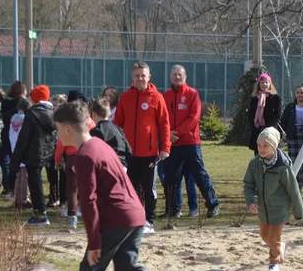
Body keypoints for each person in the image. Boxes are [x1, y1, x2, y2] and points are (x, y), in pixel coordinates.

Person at [55, 100, 195, 271]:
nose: (57, 134)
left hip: (116, 218)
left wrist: (95, 242)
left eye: (57, 128)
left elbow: (88, 202)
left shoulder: (84, 156)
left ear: (67, 129)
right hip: (135, 215)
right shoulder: (100, 144)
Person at [114, 62, 170, 233]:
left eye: (143, 75)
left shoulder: (156, 97)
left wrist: (165, 147)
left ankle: (149, 221)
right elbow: (117, 124)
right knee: (130, 187)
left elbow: (164, 124)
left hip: (150, 152)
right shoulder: (125, 97)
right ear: (132, 76)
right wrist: (116, 147)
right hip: (129, 153)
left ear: (149, 77)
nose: (140, 78)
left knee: (148, 188)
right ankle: (133, 219)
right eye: (137, 75)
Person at [244, 127, 303, 271]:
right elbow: (248, 185)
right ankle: (281, 246)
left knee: (273, 237)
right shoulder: (255, 164)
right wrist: (251, 201)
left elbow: (293, 190)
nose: (261, 149)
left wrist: (299, 212)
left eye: (265, 145)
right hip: (263, 208)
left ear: (274, 146)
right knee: (265, 236)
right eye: (259, 145)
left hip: (279, 209)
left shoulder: (283, 168)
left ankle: (274, 262)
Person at [162, 64, 220, 219]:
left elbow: (194, 118)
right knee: (170, 178)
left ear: (185, 76)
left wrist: (177, 132)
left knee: (200, 175)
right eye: (174, 74)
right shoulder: (165, 96)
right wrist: (168, 135)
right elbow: (161, 118)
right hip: (172, 144)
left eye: (180, 74)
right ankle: (172, 209)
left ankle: (212, 204)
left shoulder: (192, 94)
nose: (177, 77)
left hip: (190, 143)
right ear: (170, 77)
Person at [11, 85, 57, 226]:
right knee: (50, 180)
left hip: (33, 153)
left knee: (35, 183)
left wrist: (16, 159)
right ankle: (52, 202)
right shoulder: (52, 113)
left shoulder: (32, 113)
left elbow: (24, 136)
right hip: (49, 152)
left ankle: (40, 214)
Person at [54, 91, 94, 231]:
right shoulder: (90, 121)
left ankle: (72, 217)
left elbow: (60, 143)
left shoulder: (67, 123)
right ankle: (90, 215)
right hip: (86, 155)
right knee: (88, 187)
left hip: (71, 157)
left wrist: (57, 158)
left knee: (72, 189)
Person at [279, 84, 303, 196]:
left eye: (302, 92)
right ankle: (298, 192)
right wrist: (288, 131)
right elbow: (283, 121)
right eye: (298, 92)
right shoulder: (290, 107)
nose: (299, 95)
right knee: (294, 163)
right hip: (293, 139)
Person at [0, 81, 27, 196]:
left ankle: (10, 189)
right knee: (19, 165)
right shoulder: (20, 105)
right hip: (18, 135)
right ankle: (15, 189)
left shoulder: (5, 103)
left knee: (11, 162)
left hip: (7, 134)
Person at [247, 73, 282, 154]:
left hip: (270, 131)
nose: (264, 84)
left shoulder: (275, 98)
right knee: (258, 156)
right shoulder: (255, 98)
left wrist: (267, 128)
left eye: (266, 82)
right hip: (257, 130)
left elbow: (278, 115)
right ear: (259, 84)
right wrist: (255, 126)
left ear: (270, 84)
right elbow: (251, 114)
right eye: (262, 82)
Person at [89, 98, 131, 166]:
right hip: (122, 165)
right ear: (109, 114)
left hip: (107, 165)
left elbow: (93, 152)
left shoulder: (95, 131)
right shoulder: (118, 129)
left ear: (93, 115)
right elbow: (129, 150)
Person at [9, 98, 31, 209]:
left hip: (14, 150)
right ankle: (23, 199)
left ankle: (17, 199)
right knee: (24, 177)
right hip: (24, 151)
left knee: (18, 177)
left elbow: (10, 136)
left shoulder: (13, 121)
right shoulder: (26, 121)